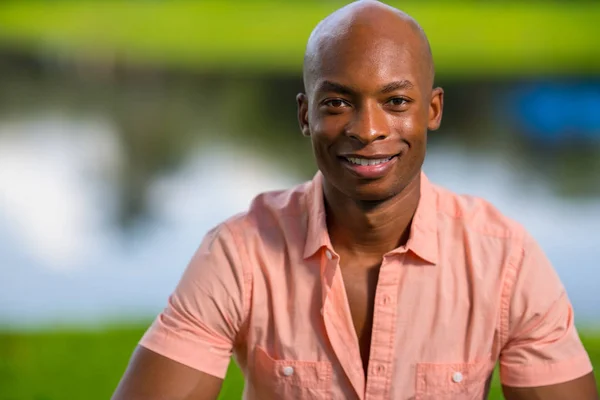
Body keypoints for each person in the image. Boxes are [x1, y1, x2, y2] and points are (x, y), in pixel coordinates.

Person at [112, 1, 598, 399]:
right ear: (305, 115)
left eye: (396, 102)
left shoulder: (505, 261)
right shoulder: (240, 253)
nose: (368, 130)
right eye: (338, 102)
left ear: (433, 109)